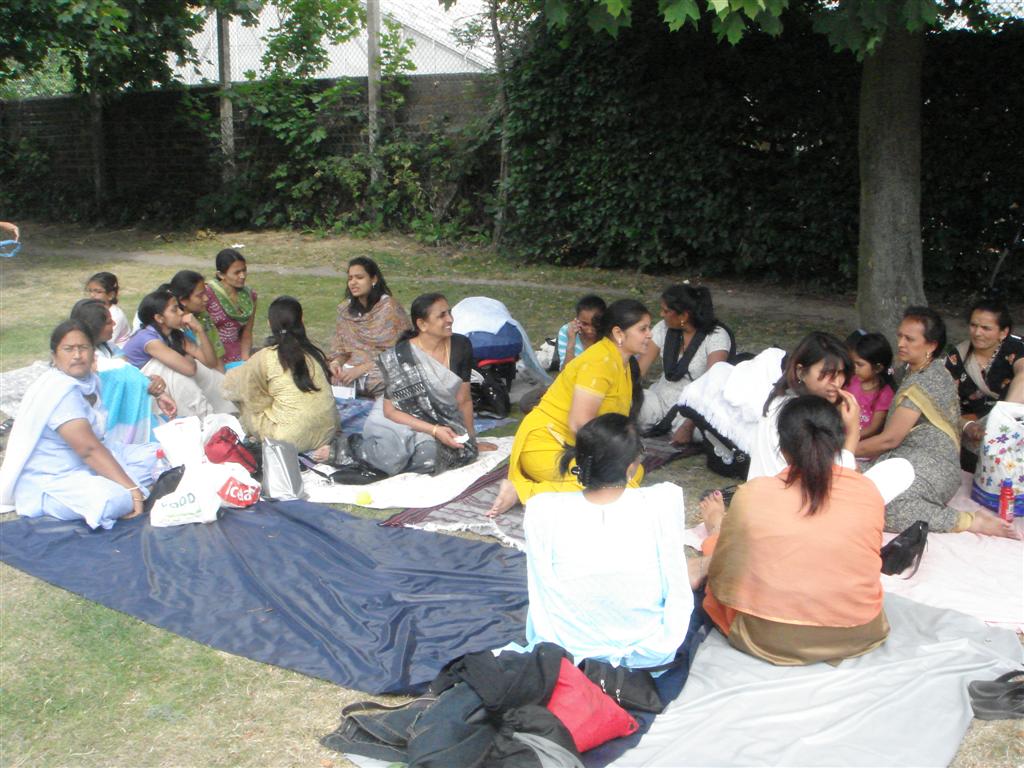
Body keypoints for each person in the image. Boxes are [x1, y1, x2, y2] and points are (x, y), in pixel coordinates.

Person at [700, 396, 890, 666]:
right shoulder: (866, 491)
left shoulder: (755, 494)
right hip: (857, 632)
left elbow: (723, 577)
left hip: (768, 639)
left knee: (718, 569)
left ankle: (717, 527)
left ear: (783, 447)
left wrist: (715, 534)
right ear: (838, 442)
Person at [520, 414, 693, 667]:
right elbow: (675, 583)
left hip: (569, 650)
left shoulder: (543, 509)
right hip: (649, 651)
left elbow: (539, 586)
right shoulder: (661, 502)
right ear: (630, 468)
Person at [856, 307, 1016, 537]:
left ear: (931, 345)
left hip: (934, 464)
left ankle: (970, 521)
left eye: (909, 339)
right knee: (847, 483)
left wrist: (847, 449)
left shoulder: (926, 380)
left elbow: (890, 439)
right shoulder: (920, 369)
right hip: (906, 457)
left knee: (884, 508)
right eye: (900, 336)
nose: (901, 343)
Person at [488, 299, 654, 516]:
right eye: (643, 329)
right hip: (546, 445)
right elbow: (580, 424)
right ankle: (523, 491)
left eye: (649, 328)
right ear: (619, 333)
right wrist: (610, 459)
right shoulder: (599, 363)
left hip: (577, 445)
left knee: (633, 473)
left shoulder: (619, 361)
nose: (650, 335)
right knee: (615, 485)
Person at [0, 320, 160, 529]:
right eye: (68, 349)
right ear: (54, 356)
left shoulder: (90, 381)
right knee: (114, 499)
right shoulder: (60, 391)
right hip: (56, 478)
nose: (77, 355)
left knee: (160, 454)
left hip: (91, 463)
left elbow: (98, 446)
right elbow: (88, 450)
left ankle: (123, 483)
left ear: (93, 352)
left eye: (83, 348)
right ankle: (56, 503)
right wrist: (131, 489)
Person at [358, 293, 494, 476]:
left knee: (446, 455)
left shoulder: (461, 345)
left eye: (449, 313)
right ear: (422, 324)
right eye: (442, 315)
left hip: (440, 421)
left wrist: (471, 440)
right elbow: (391, 412)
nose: (450, 319)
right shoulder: (401, 356)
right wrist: (434, 430)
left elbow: (464, 400)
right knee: (394, 458)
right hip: (398, 420)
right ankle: (351, 448)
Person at [223, 297, 339, 453]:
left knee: (244, 393)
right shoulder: (313, 352)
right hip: (328, 432)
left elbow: (234, 387)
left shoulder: (265, 356)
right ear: (302, 320)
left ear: (270, 324)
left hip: (288, 441)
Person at [747, 332, 858, 481]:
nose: (837, 383)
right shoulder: (798, 414)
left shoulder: (783, 400)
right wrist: (852, 433)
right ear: (801, 372)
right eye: (826, 373)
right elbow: (835, 481)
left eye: (841, 373)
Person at [70, 299, 176, 442]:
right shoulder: (84, 361)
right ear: (94, 327)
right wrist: (146, 384)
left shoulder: (108, 347)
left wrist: (152, 383)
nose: (114, 324)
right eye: (108, 322)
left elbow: (129, 372)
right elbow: (120, 375)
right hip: (107, 425)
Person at [636, 285, 732, 441]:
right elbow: (639, 370)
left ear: (684, 316)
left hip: (693, 410)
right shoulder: (663, 328)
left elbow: (712, 387)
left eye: (666, 311)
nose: (661, 314)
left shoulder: (716, 336)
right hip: (659, 400)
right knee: (628, 406)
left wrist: (688, 425)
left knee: (708, 433)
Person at [123, 288, 235, 419]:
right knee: (174, 371)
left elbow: (210, 363)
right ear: (159, 318)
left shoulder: (175, 335)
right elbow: (189, 369)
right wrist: (187, 356)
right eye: (174, 310)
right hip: (140, 391)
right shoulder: (147, 339)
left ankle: (227, 413)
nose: (181, 313)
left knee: (206, 372)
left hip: (160, 387)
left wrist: (200, 330)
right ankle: (203, 418)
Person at [327, 257, 411, 397]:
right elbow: (342, 351)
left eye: (359, 277)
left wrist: (361, 369)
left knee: (388, 378)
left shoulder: (389, 308)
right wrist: (336, 364)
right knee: (320, 374)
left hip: (378, 368)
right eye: (350, 278)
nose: (353, 282)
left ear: (373, 279)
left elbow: (400, 351)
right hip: (349, 370)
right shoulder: (345, 310)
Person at [945, 298, 1024, 447]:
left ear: (1003, 332)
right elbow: (944, 401)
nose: (977, 333)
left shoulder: (1017, 347)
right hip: (972, 428)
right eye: (974, 325)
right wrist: (966, 425)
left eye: (986, 328)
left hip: (1014, 425)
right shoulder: (957, 357)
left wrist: (1002, 420)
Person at [205, 248, 257, 364]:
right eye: (237, 272)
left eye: (244, 270)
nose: (242, 276)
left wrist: (245, 360)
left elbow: (247, 332)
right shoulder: (207, 294)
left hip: (238, 354)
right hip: (213, 356)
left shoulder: (250, 296)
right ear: (221, 275)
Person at [168, 270, 225, 371]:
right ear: (183, 300)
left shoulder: (203, 317)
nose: (206, 298)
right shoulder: (173, 326)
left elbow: (217, 358)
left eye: (205, 293)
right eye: (200, 295)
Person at [845, 330, 896, 438]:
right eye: (853, 363)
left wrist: (850, 437)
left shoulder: (884, 394)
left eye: (860, 364)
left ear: (877, 368)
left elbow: (874, 428)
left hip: (862, 445)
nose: (854, 368)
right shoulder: (852, 381)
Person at [555, 294, 606, 370]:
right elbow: (564, 373)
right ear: (577, 319)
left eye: (595, 325)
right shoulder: (567, 331)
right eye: (584, 324)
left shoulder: (609, 334)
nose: (589, 330)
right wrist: (571, 341)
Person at [86, 272, 131, 345]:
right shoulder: (93, 311)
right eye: (90, 291)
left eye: (98, 292)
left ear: (111, 295)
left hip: (116, 352)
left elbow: (107, 341)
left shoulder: (116, 316)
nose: (92, 295)